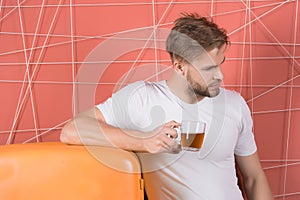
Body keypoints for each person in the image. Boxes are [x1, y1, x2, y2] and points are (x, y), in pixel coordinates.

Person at [60, 13, 274, 200]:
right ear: (180, 67)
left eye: (220, 64)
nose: (220, 76)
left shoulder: (234, 104)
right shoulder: (142, 97)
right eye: (209, 69)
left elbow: (254, 178)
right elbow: (71, 131)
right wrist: (144, 140)